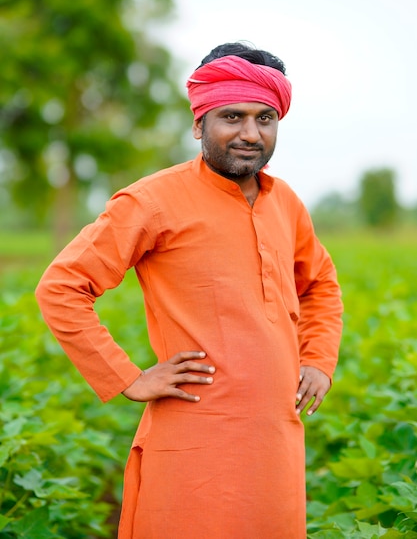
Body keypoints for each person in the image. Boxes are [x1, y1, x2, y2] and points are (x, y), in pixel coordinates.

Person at [35, 42, 343, 539]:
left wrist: (318, 358)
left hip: (275, 443)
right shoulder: (151, 201)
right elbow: (62, 286)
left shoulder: (284, 202)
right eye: (232, 117)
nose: (250, 133)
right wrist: (127, 377)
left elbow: (321, 284)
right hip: (194, 443)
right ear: (199, 122)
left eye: (265, 118)